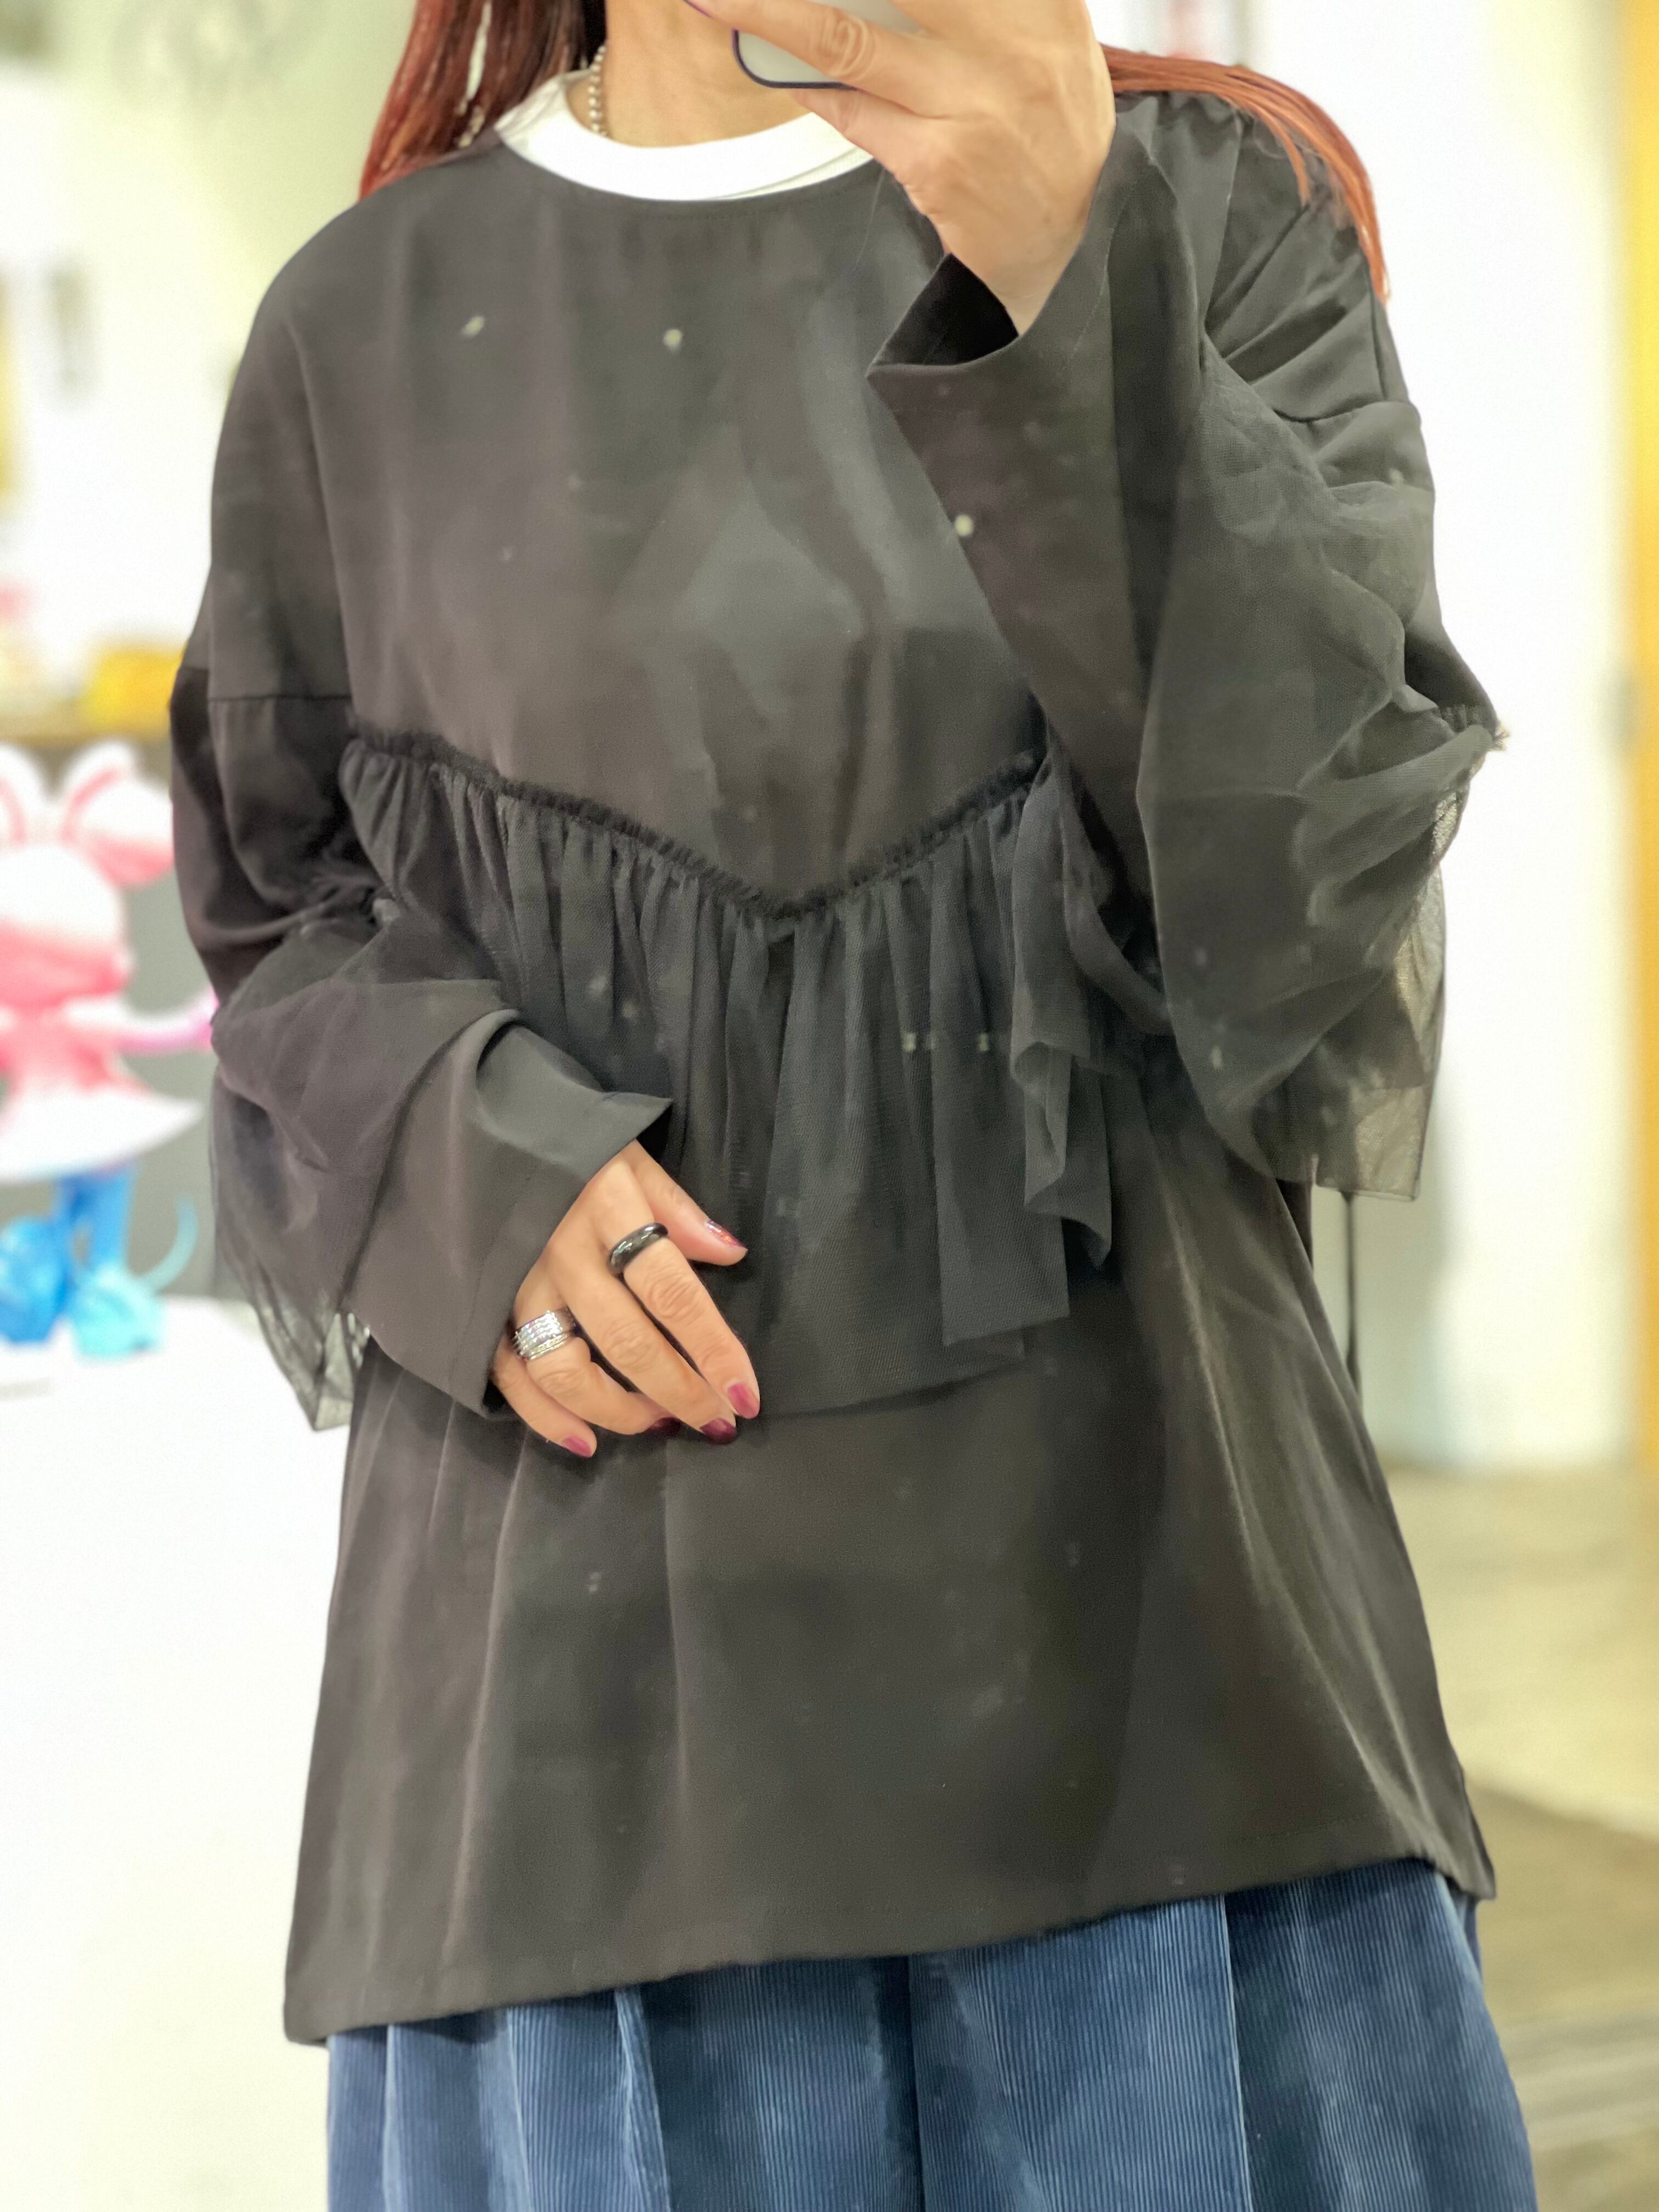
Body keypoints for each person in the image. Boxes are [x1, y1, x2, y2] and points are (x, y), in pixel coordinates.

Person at [169, 0, 1540, 2203]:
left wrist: (1075, 274)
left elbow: (1310, 926)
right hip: (581, 1771)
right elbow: (276, 911)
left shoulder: (1214, 211)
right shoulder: (363, 325)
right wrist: (465, 1160)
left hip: (1170, 1717)